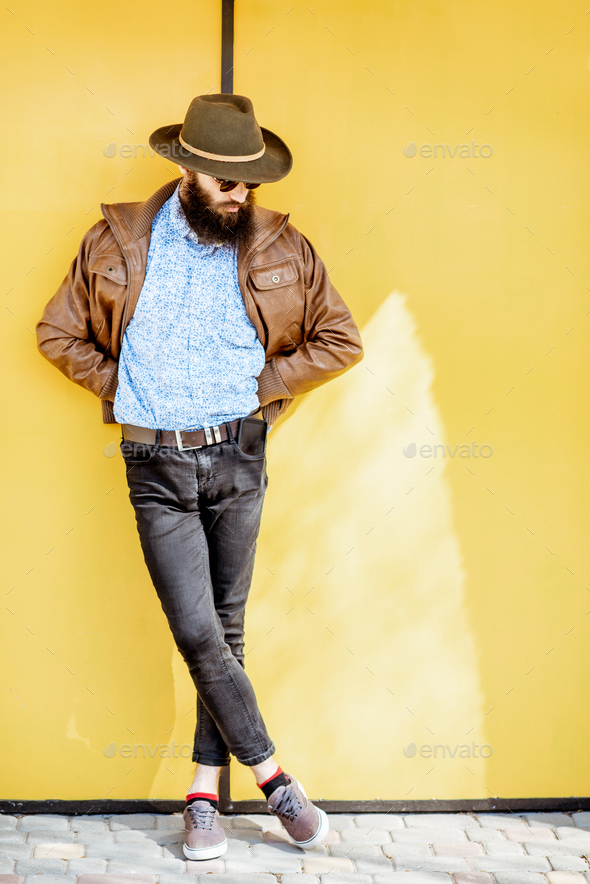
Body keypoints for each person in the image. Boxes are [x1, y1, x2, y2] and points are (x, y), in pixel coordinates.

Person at [36, 93, 363, 860]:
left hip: (239, 456)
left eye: (249, 183)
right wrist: (125, 392)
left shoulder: (283, 248)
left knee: (227, 632)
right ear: (187, 170)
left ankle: (201, 794)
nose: (240, 196)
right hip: (154, 462)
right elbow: (55, 332)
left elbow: (341, 339)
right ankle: (276, 779)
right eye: (225, 182)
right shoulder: (118, 241)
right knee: (196, 632)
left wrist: (261, 388)